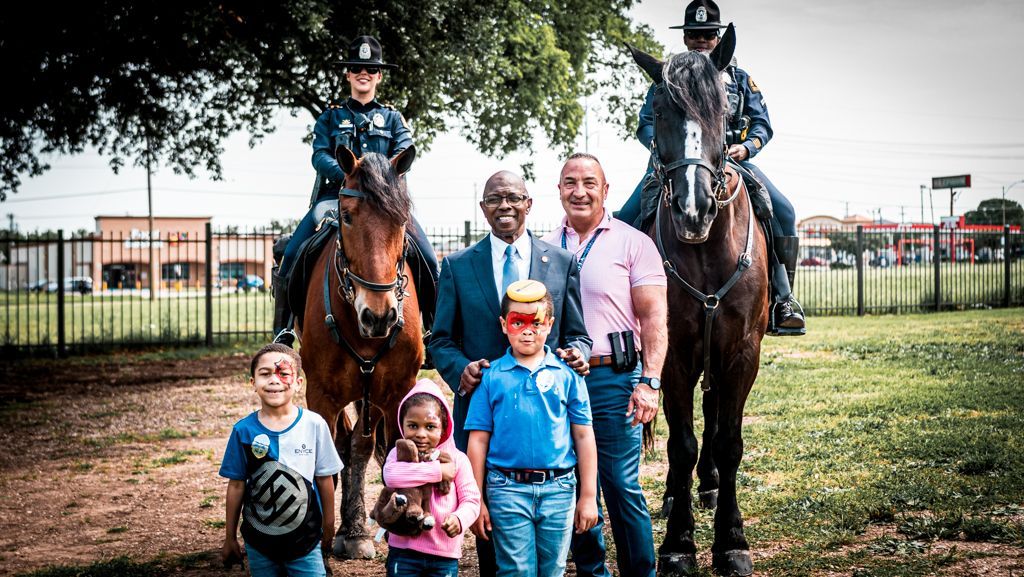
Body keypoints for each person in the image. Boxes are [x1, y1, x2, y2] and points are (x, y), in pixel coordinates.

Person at [428, 170, 593, 577]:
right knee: (485, 513)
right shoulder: (458, 266)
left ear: (528, 204)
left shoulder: (561, 262)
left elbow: (578, 334)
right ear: (483, 209)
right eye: (495, 200)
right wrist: (460, 369)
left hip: (546, 409)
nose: (505, 206)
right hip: (484, 406)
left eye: (513, 198)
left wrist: (578, 353)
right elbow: (439, 340)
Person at [616, 0, 805, 334]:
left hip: (729, 162)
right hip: (672, 165)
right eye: (694, 34)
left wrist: (746, 148)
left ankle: (782, 298)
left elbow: (762, 125)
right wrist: (663, 151)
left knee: (785, 212)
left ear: (717, 38)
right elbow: (645, 124)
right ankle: (620, 300)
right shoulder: (669, 78)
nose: (700, 41)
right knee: (623, 220)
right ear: (686, 38)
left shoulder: (740, 79)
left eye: (707, 35)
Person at [543, 153, 667, 577]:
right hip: (558, 383)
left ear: (605, 190)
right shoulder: (542, 247)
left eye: (589, 183)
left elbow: (653, 319)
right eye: (570, 182)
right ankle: (591, 570)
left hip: (614, 378)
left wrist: (649, 382)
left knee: (619, 483)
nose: (580, 191)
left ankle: (640, 572)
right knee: (573, 484)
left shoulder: (633, 243)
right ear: (559, 189)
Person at [272, 35, 439, 347]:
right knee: (292, 254)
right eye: (357, 67)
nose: (364, 73)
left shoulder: (393, 118)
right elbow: (319, 155)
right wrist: (351, 175)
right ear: (347, 74)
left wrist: (377, 179)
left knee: (429, 260)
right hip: (335, 200)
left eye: (370, 69)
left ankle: (430, 331)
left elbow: (405, 153)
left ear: (378, 76)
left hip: (386, 206)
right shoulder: (330, 116)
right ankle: (282, 330)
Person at [464, 280, 599, 577]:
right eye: (518, 322)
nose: (528, 330)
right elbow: (477, 441)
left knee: (553, 570)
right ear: (503, 325)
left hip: (560, 490)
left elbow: (583, 435)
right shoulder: (490, 377)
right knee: (516, 571)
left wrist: (588, 495)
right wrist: (476, 500)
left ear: (549, 325)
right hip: (506, 491)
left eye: (536, 323)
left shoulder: (569, 376)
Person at [219, 343, 344, 576]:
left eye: (283, 373)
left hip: (306, 541)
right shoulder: (243, 431)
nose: (274, 380)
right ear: (252, 383)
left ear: (298, 383)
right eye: (265, 374)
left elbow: (325, 478)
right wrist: (229, 538)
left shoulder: (315, 425)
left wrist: (329, 524)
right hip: (259, 543)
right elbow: (236, 486)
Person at [381, 378, 481, 577]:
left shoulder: (457, 459)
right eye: (412, 426)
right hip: (404, 551)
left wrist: (459, 519)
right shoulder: (398, 455)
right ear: (402, 425)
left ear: (444, 427)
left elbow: (472, 500)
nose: (420, 434)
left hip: (444, 555)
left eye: (430, 427)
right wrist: (439, 472)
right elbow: (392, 476)